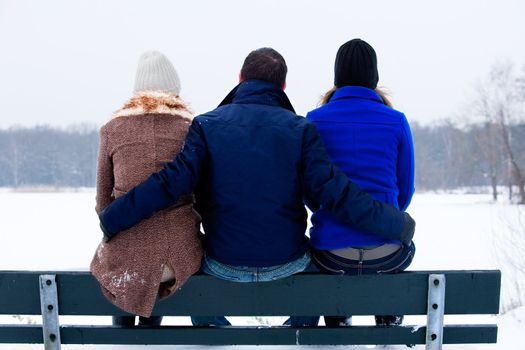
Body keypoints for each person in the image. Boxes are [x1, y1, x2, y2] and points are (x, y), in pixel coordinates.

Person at [97, 47, 415, 327]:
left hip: (223, 262)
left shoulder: (207, 125)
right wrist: (393, 222)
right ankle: (295, 331)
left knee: (199, 273)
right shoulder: (300, 128)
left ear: (240, 78)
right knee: (313, 273)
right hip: (287, 260)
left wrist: (115, 216)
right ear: (283, 85)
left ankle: (214, 331)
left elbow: (170, 183)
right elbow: (333, 193)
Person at [306, 39, 416, 327]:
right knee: (405, 246)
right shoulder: (396, 120)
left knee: (330, 267)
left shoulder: (314, 120)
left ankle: (338, 324)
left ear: (337, 76)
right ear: (374, 77)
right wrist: (380, 218)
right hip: (387, 254)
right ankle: (388, 325)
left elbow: (309, 191)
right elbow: (405, 190)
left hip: (331, 254)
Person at [90, 51, 203, 326]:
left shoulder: (112, 130)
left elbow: (102, 200)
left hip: (126, 258)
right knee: (157, 267)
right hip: (179, 255)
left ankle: (125, 336)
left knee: (127, 270)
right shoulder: (192, 128)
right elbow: (202, 195)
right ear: (174, 89)